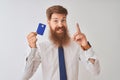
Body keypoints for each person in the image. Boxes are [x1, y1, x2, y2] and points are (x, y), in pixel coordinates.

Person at [22, 5, 100, 80]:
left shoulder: (76, 45)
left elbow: (95, 72)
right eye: (56, 21)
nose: (60, 24)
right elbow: (26, 76)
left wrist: (86, 46)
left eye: (63, 20)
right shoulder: (41, 47)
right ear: (49, 22)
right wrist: (32, 48)